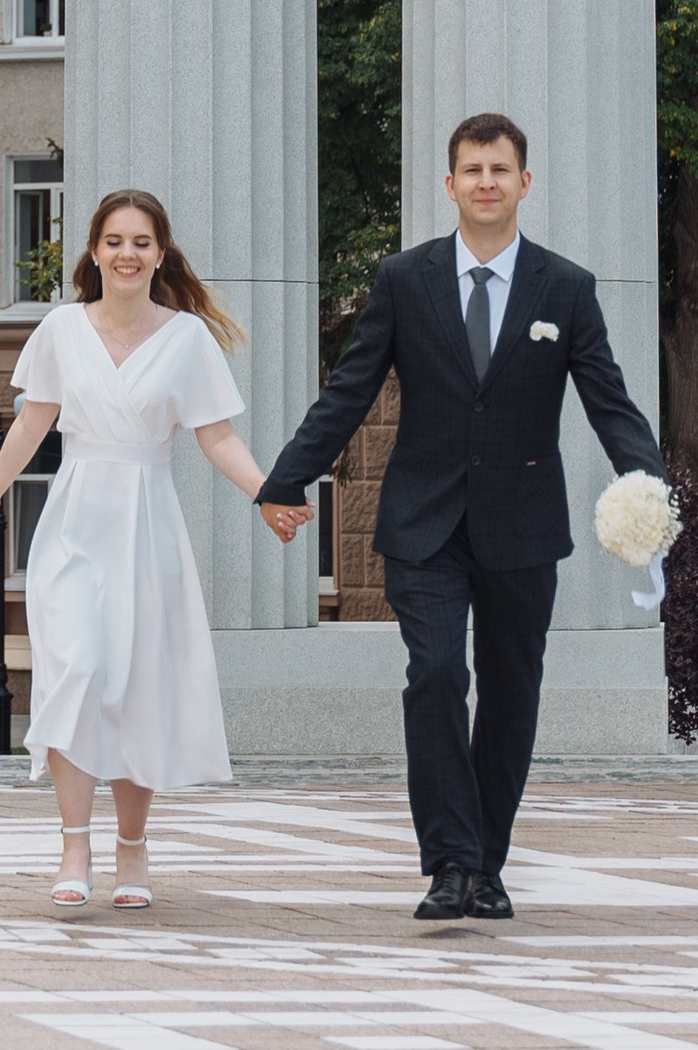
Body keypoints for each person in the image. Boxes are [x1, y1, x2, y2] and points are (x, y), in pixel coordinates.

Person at [257, 113, 666, 925]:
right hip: (423, 523)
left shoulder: (566, 288)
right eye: (472, 169)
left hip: (523, 526)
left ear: (524, 182)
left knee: (512, 694)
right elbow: (351, 388)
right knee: (438, 673)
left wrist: (649, 488)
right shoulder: (403, 280)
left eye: (500, 168)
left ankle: (488, 862)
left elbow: (609, 402)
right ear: (449, 184)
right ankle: (450, 862)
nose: (486, 181)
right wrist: (286, 478)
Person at [0, 188, 306, 912]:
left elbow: (217, 437)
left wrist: (267, 492)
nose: (126, 253)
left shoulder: (187, 339)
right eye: (114, 240)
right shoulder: (59, 329)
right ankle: (74, 842)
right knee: (74, 674)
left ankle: (133, 849)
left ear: (160, 253)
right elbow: (31, 423)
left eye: (141, 241)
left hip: (147, 525)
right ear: (94, 251)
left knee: (135, 685)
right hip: (75, 523)